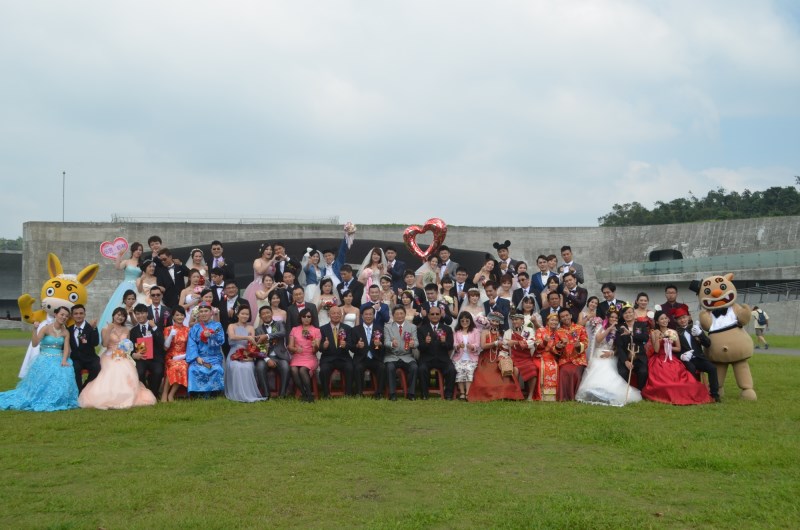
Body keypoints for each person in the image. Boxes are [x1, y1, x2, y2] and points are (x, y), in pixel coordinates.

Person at [0, 306, 80, 411]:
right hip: (45, 357)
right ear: (56, 315)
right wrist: (35, 329)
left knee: (65, 370)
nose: (64, 317)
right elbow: (35, 344)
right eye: (62, 314)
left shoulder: (66, 332)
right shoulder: (46, 328)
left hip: (59, 357)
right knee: (49, 371)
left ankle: (59, 398)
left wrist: (64, 360)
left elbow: (66, 349)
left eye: (66, 316)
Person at [78, 307, 157, 409]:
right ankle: (109, 396)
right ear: (113, 315)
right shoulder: (105, 328)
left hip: (123, 355)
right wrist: (109, 330)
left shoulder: (127, 330)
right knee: (112, 368)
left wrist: (129, 352)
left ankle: (126, 394)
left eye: (123, 316)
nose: (120, 317)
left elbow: (129, 344)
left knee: (127, 369)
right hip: (109, 355)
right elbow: (105, 344)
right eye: (118, 315)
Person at [643, 311, 713, 405]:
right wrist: (659, 338)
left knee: (680, 376)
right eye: (661, 319)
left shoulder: (673, 332)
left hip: (672, 358)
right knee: (663, 379)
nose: (664, 320)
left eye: (665, 318)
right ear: (657, 322)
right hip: (659, 358)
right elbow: (656, 350)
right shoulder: (654, 332)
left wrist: (668, 346)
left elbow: (678, 348)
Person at [576, 308, 643, 406]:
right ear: (608, 318)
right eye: (612, 317)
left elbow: (619, 346)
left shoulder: (619, 330)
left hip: (610, 355)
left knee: (608, 369)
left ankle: (608, 393)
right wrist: (608, 329)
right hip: (598, 354)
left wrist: (611, 353)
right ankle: (593, 392)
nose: (614, 319)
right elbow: (598, 340)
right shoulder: (601, 326)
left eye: (616, 318)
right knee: (597, 368)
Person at [467, 313, 523, 402]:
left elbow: (505, 347)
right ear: (489, 320)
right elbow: (483, 346)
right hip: (486, 359)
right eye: (493, 320)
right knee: (485, 381)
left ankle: (504, 395)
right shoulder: (485, 332)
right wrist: (495, 343)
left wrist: (502, 350)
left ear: (500, 322)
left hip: (498, 358)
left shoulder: (501, 333)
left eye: (497, 321)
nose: (495, 323)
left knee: (505, 380)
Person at [674, 306, 720, 402]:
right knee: (692, 369)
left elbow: (707, 344)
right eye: (679, 319)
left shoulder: (695, 328)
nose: (682, 320)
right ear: (676, 321)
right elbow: (673, 349)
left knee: (712, 368)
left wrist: (700, 334)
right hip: (686, 360)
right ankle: (695, 394)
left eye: (684, 317)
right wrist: (681, 356)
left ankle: (714, 394)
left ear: (688, 317)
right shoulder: (675, 333)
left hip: (699, 358)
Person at [97, 242, 143, 331]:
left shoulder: (142, 264)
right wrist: (119, 255)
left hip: (137, 287)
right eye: (136, 249)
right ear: (132, 251)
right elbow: (118, 267)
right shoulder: (126, 261)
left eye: (140, 250)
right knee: (119, 306)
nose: (138, 251)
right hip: (125, 286)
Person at [225, 306, 266, 402]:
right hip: (234, 352)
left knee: (248, 367)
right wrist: (247, 337)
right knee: (236, 367)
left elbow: (253, 343)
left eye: (247, 314)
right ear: (237, 314)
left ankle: (248, 394)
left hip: (247, 352)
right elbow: (232, 337)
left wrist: (251, 355)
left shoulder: (251, 327)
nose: (245, 316)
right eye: (242, 313)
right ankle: (237, 393)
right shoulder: (231, 326)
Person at [186, 302, 226, 397]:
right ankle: (197, 394)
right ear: (198, 313)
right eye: (201, 311)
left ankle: (214, 394)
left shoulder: (217, 326)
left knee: (216, 369)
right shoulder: (195, 328)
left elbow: (221, 340)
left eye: (206, 311)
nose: (203, 313)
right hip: (200, 357)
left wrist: (211, 336)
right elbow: (191, 345)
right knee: (192, 369)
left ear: (211, 313)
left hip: (214, 357)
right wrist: (196, 357)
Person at [416, 306, 456, 400]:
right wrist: (426, 343)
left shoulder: (447, 329)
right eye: (432, 314)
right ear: (428, 316)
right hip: (427, 358)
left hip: (442, 358)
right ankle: (424, 394)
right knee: (422, 369)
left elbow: (450, 346)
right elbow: (420, 347)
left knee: (451, 370)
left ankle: (448, 395)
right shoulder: (421, 329)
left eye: (437, 314)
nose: (435, 316)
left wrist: (444, 342)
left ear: (440, 315)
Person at [129, 303, 166, 399]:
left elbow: (161, 341)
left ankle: (153, 394)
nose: (140, 316)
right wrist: (134, 354)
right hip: (141, 358)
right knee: (139, 372)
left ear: (147, 313)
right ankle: (144, 393)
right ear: (135, 315)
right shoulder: (133, 331)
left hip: (155, 358)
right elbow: (131, 347)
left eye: (142, 313)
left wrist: (154, 327)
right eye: (137, 314)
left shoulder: (155, 326)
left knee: (158, 371)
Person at [253, 306, 291, 398]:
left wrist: (267, 336)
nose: (266, 315)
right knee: (260, 367)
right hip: (265, 357)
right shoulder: (258, 330)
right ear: (260, 316)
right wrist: (267, 359)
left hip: (280, 356)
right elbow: (258, 348)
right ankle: (266, 395)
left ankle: (282, 394)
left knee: (285, 367)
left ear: (272, 313)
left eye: (268, 312)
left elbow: (282, 333)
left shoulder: (280, 323)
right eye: (263, 314)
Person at [318, 306, 355, 397]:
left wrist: (346, 345)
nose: (336, 315)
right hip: (328, 358)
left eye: (338, 313)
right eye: (333, 313)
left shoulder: (347, 328)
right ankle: (326, 394)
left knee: (350, 368)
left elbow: (352, 346)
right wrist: (323, 346)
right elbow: (319, 348)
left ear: (341, 315)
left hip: (343, 358)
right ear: (329, 315)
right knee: (324, 370)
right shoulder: (322, 329)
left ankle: (348, 393)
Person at [383, 306, 419, 400]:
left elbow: (416, 342)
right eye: (397, 314)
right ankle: (392, 394)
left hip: (407, 356)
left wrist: (413, 344)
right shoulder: (387, 327)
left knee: (414, 367)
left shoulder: (412, 327)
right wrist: (392, 344)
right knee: (390, 367)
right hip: (392, 356)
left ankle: (411, 393)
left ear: (405, 314)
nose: (399, 316)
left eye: (401, 313)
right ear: (393, 316)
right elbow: (386, 342)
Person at [554, 308, 589, 401]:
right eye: (562, 317)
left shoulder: (580, 328)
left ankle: (576, 396)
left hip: (578, 359)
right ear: (560, 319)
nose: (565, 318)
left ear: (571, 316)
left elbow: (586, 342)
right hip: (565, 360)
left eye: (567, 315)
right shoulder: (558, 332)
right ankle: (564, 397)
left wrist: (579, 345)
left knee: (575, 373)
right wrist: (559, 346)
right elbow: (556, 347)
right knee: (563, 372)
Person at [288, 308, 321, 402]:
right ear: (300, 318)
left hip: (310, 357)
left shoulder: (316, 330)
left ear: (312, 318)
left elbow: (315, 351)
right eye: (304, 316)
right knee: (293, 369)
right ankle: (304, 394)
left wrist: (315, 345)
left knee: (302, 370)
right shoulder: (294, 329)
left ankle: (309, 395)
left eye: (308, 316)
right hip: (297, 356)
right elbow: (290, 347)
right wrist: (296, 349)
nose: (306, 318)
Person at [351, 305, 386, 397]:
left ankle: (379, 393)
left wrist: (380, 344)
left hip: (375, 358)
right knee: (358, 368)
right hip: (361, 358)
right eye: (366, 314)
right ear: (362, 316)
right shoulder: (355, 330)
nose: (368, 316)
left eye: (370, 314)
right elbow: (351, 347)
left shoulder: (380, 329)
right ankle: (359, 392)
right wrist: (357, 345)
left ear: (374, 316)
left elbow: (384, 347)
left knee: (382, 367)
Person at [504, 312, 538, 400]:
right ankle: (515, 395)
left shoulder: (529, 330)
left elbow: (532, 342)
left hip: (526, 358)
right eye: (513, 320)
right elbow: (505, 347)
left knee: (533, 369)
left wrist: (516, 342)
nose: (514, 321)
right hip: (513, 358)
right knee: (515, 370)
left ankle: (530, 395)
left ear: (522, 321)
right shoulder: (508, 332)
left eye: (516, 319)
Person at [615, 305, 649, 391]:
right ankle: (624, 392)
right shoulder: (619, 327)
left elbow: (645, 338)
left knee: (643, 372)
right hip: (625, 357)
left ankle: (641, 392)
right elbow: (619, 346)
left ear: (634, 314)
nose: (628, 314)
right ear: (622, 315)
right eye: (625, 313)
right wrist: (625, 361)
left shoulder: (641, 325)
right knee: (623, 372)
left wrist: (631, 334)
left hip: (639, 357)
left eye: (630, 312)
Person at [67, 304, 100, 392]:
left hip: (90, 358)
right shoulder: (69, 329)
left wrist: (94, 329)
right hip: (76, 359)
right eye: (76, 313)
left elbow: (95, 343)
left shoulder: (90, 327)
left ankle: (84, 387)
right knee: (75, 368)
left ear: (84, 314)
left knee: (97, 367)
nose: (78, 316)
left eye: (81, 313)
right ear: (72, 315)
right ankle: (78, 391)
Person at [531, 313, 562, 401]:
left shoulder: (558, 333)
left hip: (552, 356)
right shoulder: (540, 330)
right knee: (541, 367)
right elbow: (537, 344)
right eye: (552, 320)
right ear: (547, 321)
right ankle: (540, 395)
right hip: (540, 356)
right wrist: (544, 342)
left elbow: (556, 349)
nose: (554, 322)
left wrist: (558, 347)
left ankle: (552, 396)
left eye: (556, 320)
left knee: (556, 366)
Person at [162, 306, 189, 401]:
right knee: (173, 367)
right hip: (171, 356)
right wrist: (170, 336)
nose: (180, 317)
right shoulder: (168, 329)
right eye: (177, 315)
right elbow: (165, 347)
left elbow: (190, 347)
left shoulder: (188, 330)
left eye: (182, 315)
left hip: (183, 356)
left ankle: (171, 394)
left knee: (182, 366)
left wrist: (184, 356)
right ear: (173, 316)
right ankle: (164, 393)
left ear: (184, 316)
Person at [452, 311, 481, 400]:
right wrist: (458, 346)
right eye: (462, 321)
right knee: (459, 369)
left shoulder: (475, 331)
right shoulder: (457, 331)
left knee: (469, 369)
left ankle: (468, 393)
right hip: (459, 357)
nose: (464, 322)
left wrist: (471, 346)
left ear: (470, 321)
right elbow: (454, 344)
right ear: (459, 321)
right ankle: (462, 393)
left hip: (471, 357)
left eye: (467, 321)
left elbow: (477, 344)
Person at [243, 243, 276, 313]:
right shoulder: (258, 261)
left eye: (271, 249)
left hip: (270, 285)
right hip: (258, 285)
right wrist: (271, 261)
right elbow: (260, 271)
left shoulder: (273, 262)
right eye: (267, 249)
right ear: (262, 251)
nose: (269, 251)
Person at [578, 296, 602, 361]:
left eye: (596, 303)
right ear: (588, 302)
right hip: (585, 336)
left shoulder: (598, 315)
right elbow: (579, 325)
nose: (593, 304)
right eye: (592, 302)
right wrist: (588, 317)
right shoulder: (582, 314)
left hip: (595, 337)